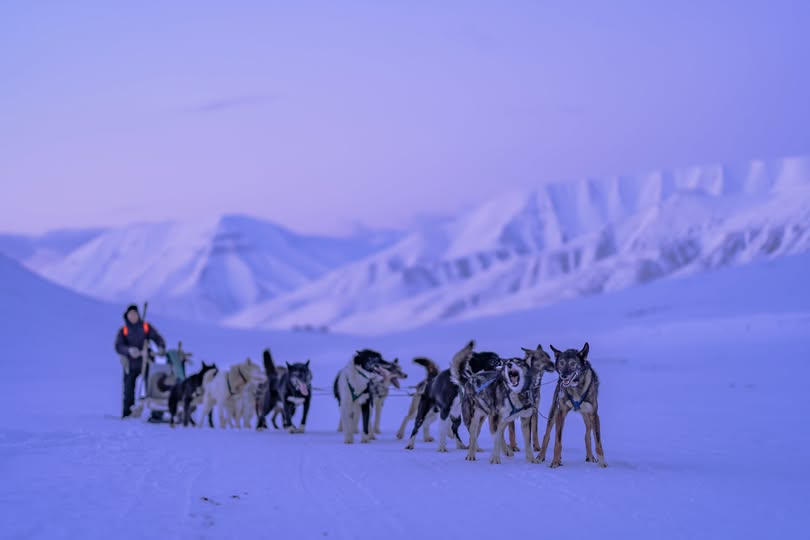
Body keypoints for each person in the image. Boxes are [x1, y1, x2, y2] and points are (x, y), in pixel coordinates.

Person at [114, 304, 167, 419]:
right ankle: (127, 414)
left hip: (146, 362)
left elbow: (157, 338)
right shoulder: (124, 331)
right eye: (130, 315)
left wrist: (161, 347)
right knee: (128, 390)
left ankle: (157, 414)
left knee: (153, 387)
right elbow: (118, 346)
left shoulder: (146, 327)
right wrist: (129, 350)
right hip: (130, 364)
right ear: (127, 316)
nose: (133, 317)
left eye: (134, 314)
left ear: (138, 315)